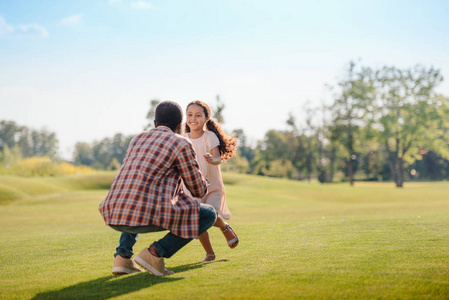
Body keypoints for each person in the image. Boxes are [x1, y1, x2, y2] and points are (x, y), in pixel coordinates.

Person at [99, 101, 218, 276]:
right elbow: (198, 190)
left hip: (114, 213)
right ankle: (155, 253)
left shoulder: (137, 138)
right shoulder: (181, 143)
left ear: (155, 123)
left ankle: (122, 258)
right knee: (208, 214)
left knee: (136, 196)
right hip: (146, 216)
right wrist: (204, 181)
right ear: (179, 125)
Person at [183, 100, 239, 262]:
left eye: (198, 115)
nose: (193, 119)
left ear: (206, 118)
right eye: (190, 115)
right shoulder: (183, 138)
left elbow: (217, 158)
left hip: (211, 185)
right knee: (197, 218)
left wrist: (211, 159)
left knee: (211, 214)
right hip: (192, 187)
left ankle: (224, 227)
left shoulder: (210, 136)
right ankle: (210, 254)